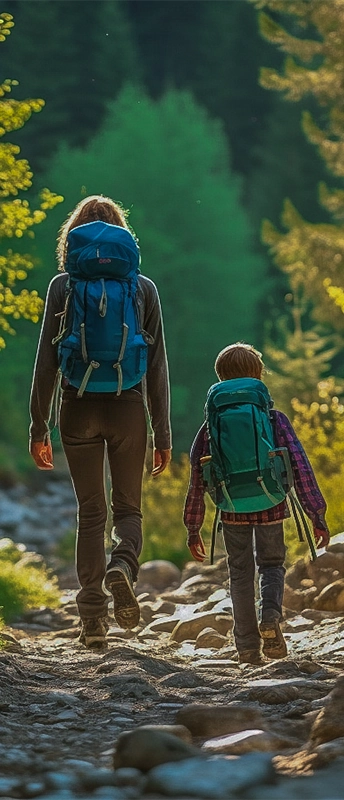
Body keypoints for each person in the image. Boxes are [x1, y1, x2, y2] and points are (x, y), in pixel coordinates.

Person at [29, 195, 171, 650]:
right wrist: (163, 433)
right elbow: (157, 368)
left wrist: (40, 426)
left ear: (74, 238)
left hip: (76, 406)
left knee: (90, 512)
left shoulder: (63, 286)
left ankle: (92, 621)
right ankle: (122, 566)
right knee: (127, 509)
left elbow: (46, 362)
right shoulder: (143, 288)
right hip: (128, 408)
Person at [183, 342, 330, 665]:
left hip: (232, 506)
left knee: (239, 574)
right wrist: (316, 513)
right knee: (272, 565)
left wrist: (193, 527)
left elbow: (198, 476)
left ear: (221, 378)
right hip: (272, 503)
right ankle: (271, 616)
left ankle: (247, 648)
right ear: (258, 376)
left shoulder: (211, 426)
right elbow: (300, 467)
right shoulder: (273, 418)